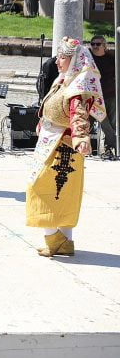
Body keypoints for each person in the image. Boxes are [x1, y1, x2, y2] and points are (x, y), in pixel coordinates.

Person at [26, 37, 106, 257]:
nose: (58, 61)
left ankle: (55, 239)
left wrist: (80, 137)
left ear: (74, 60)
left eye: (63, 57)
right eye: (59, 56)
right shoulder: (63, 80)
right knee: (59, 191)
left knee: (48, 189)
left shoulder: (76, 86)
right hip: (51, 140)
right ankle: (64, 241)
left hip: (64, 145)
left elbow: (78, 114)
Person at [88, 35, 115, 153]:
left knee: (111, 122)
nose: (95, 46)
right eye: (92, 44)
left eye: (98, 44)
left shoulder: (112, 58)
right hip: (93, 96)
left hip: (110, 94)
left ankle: (109, 148)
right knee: (100, 122)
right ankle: (86, 147)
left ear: (104, 46)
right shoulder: (88, 58)